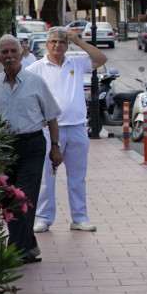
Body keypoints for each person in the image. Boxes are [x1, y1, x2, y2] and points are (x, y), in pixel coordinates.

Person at [0, 35, 62, 263]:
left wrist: (55, 147)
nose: (9, 56)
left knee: (23, 198)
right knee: (7, 200)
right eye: (4, 52)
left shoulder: (36, 82)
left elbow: (52, 118)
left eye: (13, 51)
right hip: (2, 149)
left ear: (22, 53)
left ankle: (13, 254)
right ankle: (30, 246)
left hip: (32, 146)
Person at [28, 27, 107, 233]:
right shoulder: (36, 68)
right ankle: (43, 217)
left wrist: (79, 42)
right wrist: (37, 118)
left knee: (77, 177)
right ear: (47, 44)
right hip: (49, 131)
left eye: (62, 42)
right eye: (53, 42)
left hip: (77, 127)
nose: (57, 45)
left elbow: (101, 59)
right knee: (47, 176)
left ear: (66, 45)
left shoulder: (76, 62)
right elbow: (26, 97)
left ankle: (79, 218)